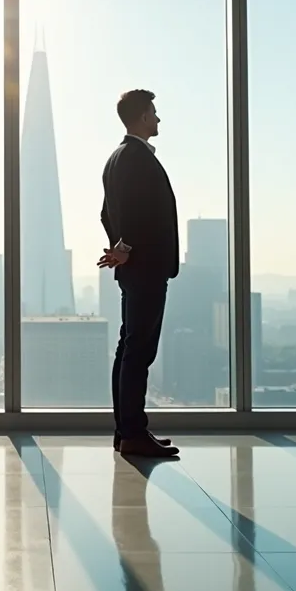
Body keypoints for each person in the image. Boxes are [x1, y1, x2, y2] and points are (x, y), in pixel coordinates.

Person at [98, 89, 180, 458]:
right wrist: (127, 248)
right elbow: (138, 212)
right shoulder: (136, 159)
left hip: (134, 268)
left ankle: (126, 431)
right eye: (155, 113)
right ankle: (132, 433)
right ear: (143, 117)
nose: (159, 119)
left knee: (128, 349)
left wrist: (119, 248)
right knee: (139, 351)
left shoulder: (116, 158)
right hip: (145, 268)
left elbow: (107, 214)